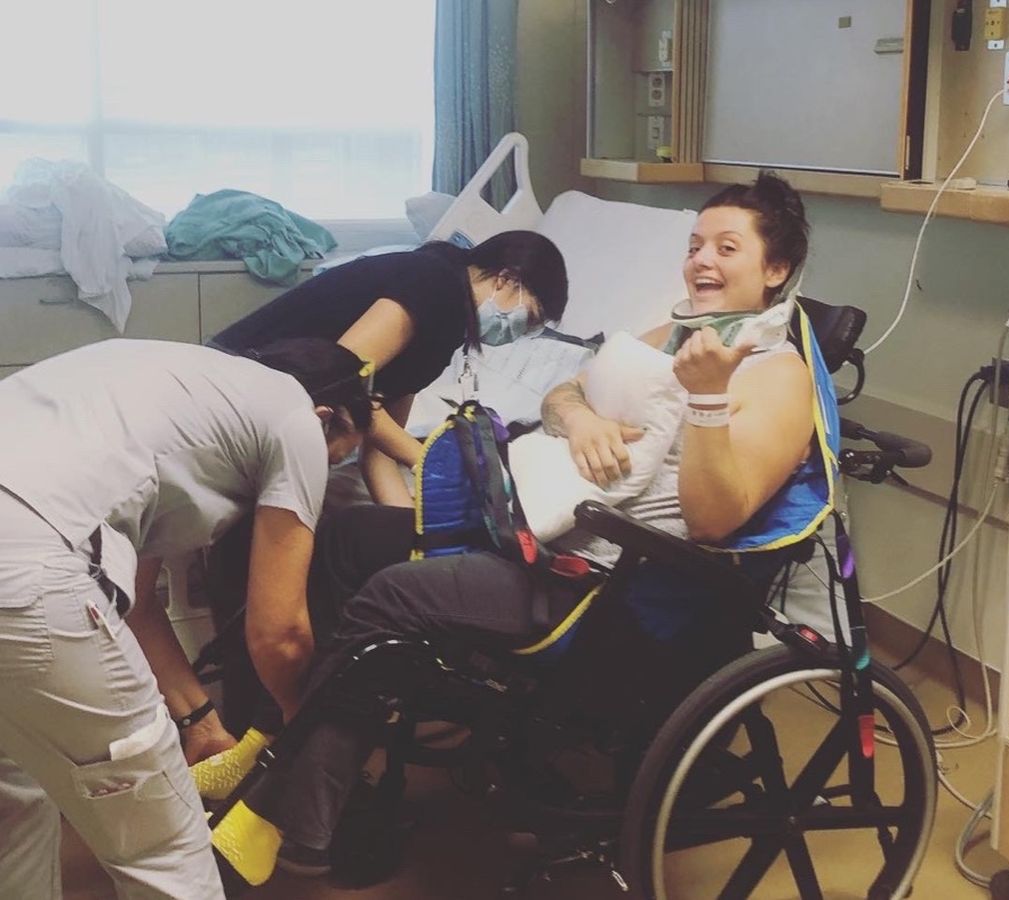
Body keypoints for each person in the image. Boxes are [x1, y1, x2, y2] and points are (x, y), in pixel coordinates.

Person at [212, 172, 841, 884]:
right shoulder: (673, 334)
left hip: (602, 584)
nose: (701, 260)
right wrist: (581, 418)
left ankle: (296, 823)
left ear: (775, 270)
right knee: (346, 539)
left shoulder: (775, 375)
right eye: (695, 244)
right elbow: (562, 390)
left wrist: (706, 400)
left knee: (394, 595)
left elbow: (714, 518)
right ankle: (288, 738)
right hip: (536, 529)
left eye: (727, 248)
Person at [0, 336, 373, 899]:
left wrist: (199, 719)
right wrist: (304, 722)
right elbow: (278, 633)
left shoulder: (178, 383)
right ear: (327, 418)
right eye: (335, 458)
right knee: (164, 848)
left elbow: (139, 600)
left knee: (14, 795)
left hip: (23, 548)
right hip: (26, 561)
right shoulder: (295, 414)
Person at [210, 231, 569, 506]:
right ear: (506, 279)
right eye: (529, 317)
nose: (517, 332)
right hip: (225, 387)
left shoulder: (442, 335)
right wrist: (431, 462)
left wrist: (409, 528)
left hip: (261, 399)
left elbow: (378, 452)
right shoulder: (433, 282)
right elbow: (337, 380)